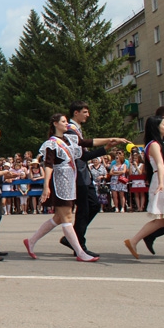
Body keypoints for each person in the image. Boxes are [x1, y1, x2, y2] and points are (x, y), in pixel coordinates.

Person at [23, 114, 126, 263]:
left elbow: (88, 143)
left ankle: (31, 241)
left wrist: (110, 141)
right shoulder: (51, 143)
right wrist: (46, 186)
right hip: (60, 182)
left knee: (59, 218)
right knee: (67, 218)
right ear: (55, 124)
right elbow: (49, 165)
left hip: (70, 180)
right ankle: (80, 251)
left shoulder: (69, 139)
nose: (67, 124)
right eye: (64, 122)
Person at [60, 101, 110, 256]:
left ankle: (72, 237)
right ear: (76, 113)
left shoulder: (77, 130)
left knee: (94, 205)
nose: (88, 115)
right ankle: (79, 245)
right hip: (77, 174)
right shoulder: (70, 131)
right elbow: (81, 155)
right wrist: (105, 145)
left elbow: (85, 155)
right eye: (85, 112)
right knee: (83, 209)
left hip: (84, 173)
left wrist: (105, 149)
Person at [123, 116, 164, 259]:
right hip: (162, 180)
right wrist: (161, 182)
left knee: (162, 220)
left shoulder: (159, 143)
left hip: (162, 179)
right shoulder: (154, 144)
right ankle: (134, 240)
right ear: (156, 127)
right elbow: (160, 164)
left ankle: (134, 240)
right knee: (161, 219)